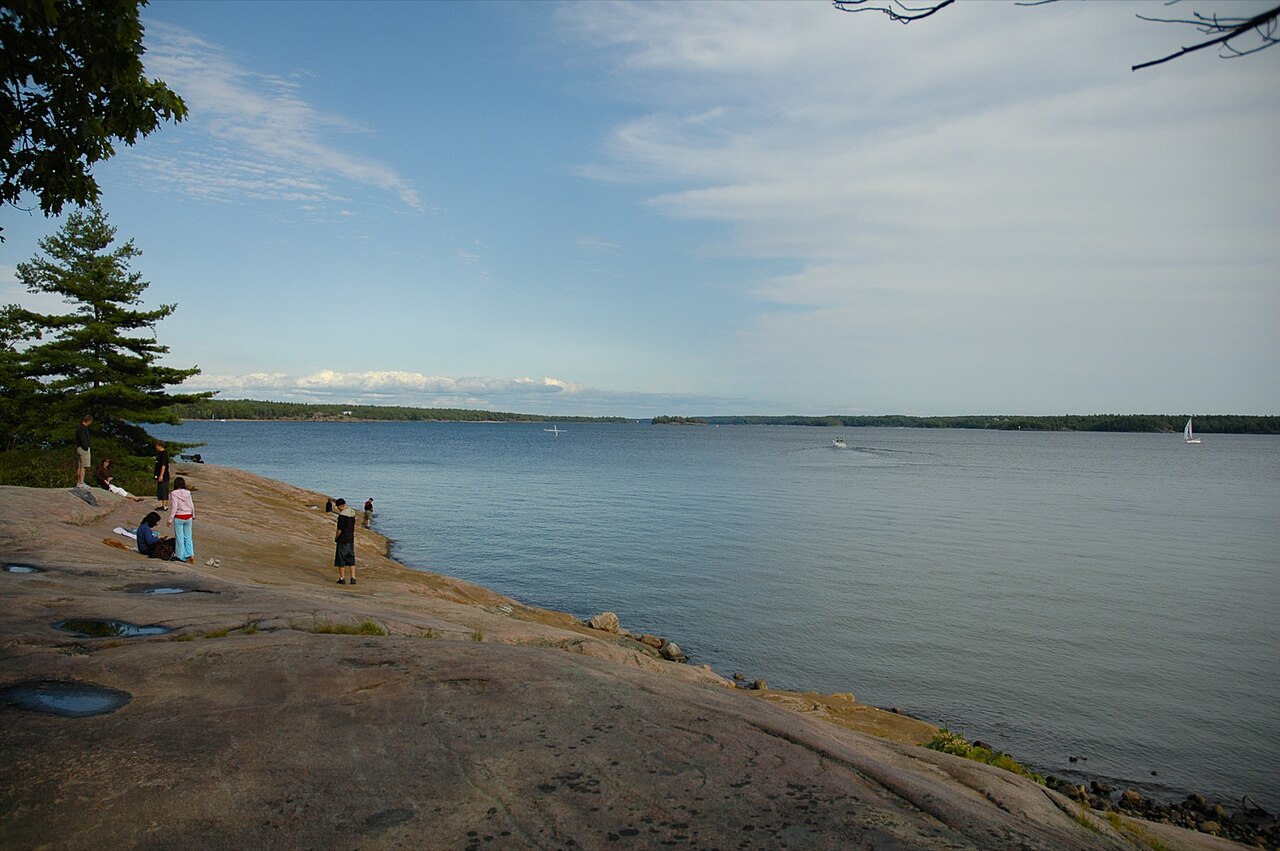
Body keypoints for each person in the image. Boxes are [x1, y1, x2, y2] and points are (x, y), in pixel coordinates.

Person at [167, 476, 195, 564]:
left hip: (179, 516)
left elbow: (174, 507)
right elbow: (191, 505)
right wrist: (193, 514)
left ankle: (180, 556)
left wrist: (170, 519)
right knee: (188, 536)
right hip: (188, 516)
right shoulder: (188, 493)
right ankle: (190, 554)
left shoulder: (174, 493)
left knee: (180, 537)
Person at [333, 498, 357, 584]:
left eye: (338, 507)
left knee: (341, 558)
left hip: (342, 539)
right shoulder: (352, 512)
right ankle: (353, 577)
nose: (338, 509)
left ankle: (342, 578)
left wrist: (336, 538)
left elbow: (339, 529)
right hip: (350, 538)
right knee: (351, 558)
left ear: (340, 506)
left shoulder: (342, 516)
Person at [74, 415, 92, 487]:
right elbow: (83, 439)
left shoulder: (79, 428)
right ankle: (81, 482)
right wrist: (86, 447)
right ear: (89, 421)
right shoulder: (83, 428)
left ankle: (78, 482)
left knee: (80, 466)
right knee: (84, 466)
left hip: (79, 448)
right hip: (83, 448)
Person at [154, 441, 170, 510]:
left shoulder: (164, 454)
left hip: (164, 475)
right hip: (159, 474)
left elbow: (164, 465)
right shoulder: (160, 454)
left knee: (164, 490)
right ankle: (163, 505)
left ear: (159, 445)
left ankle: (165, 506)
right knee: (161, 490)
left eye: (156, 446)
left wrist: (161, 475)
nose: (156, 447)